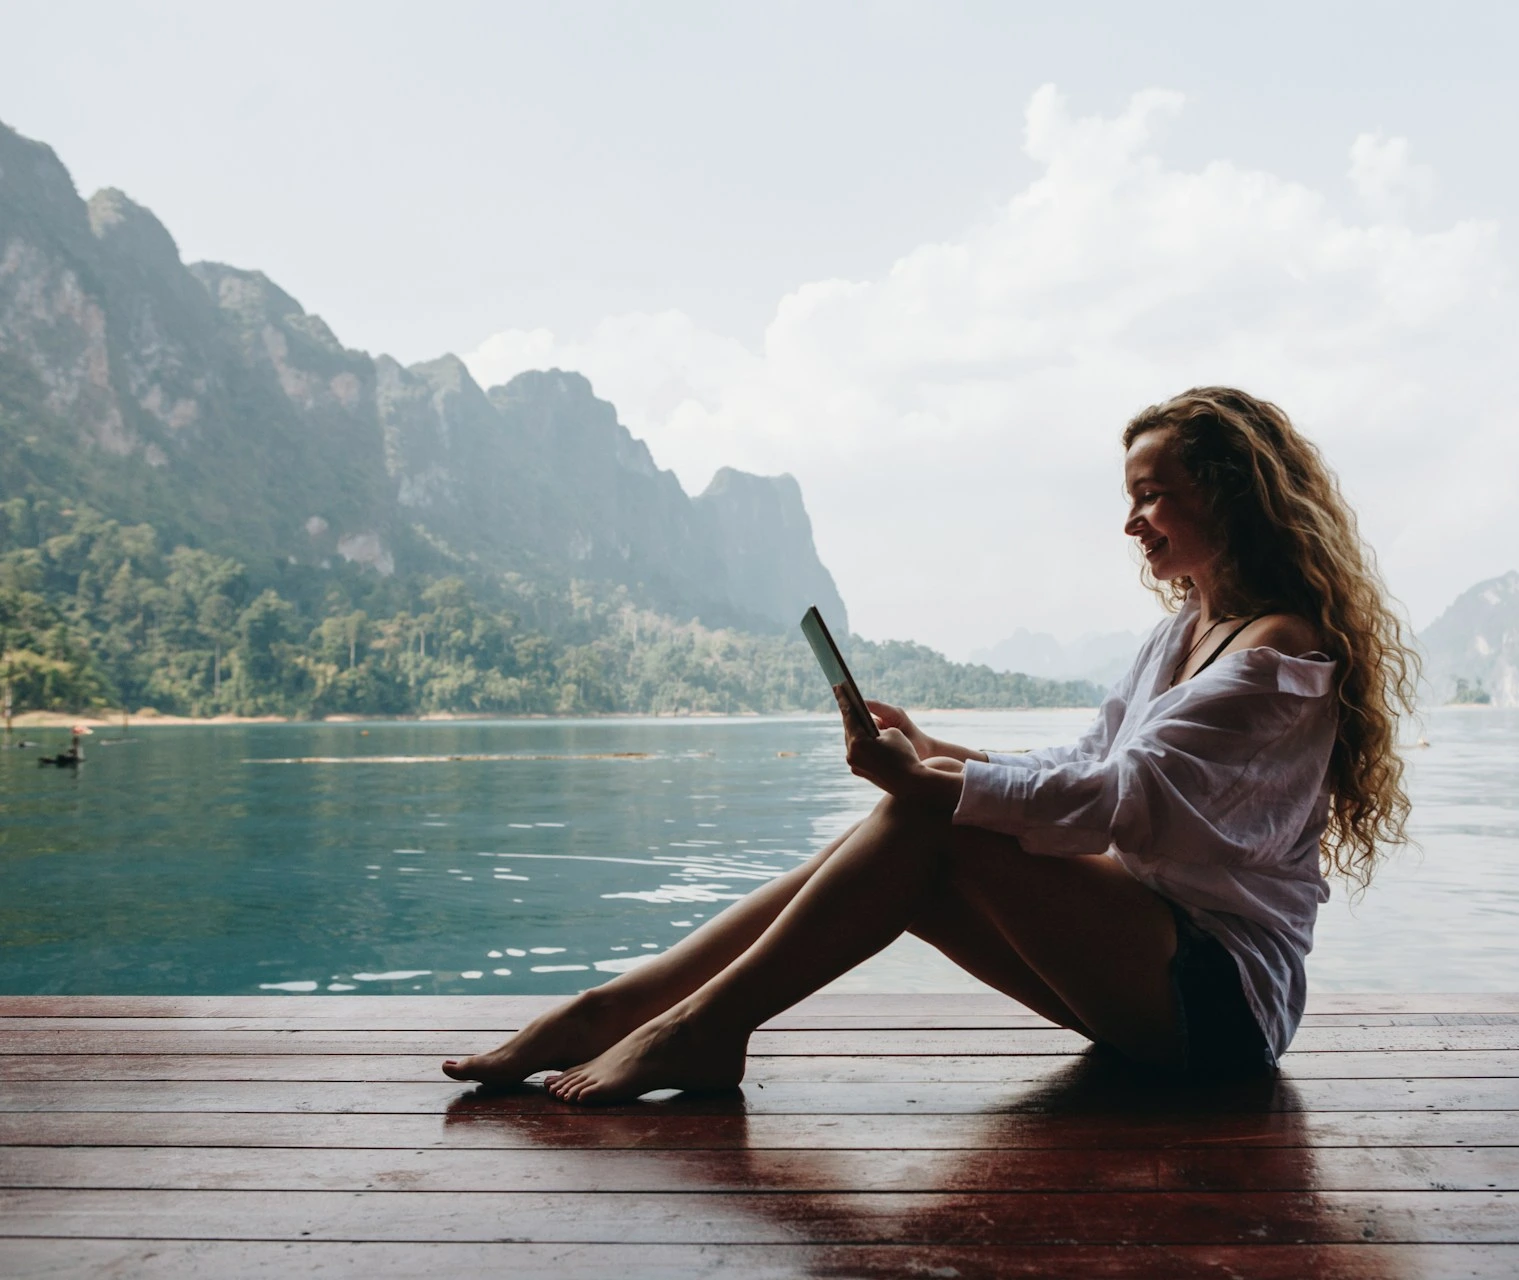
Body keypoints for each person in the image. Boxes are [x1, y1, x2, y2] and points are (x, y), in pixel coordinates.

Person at [445, 386, 1418, 1102]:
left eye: (1152, 495)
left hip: (1221, 1007)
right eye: (1130, 498)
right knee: (916, 821)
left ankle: (696, 1024)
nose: (1131, 523)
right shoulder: (1186, 629)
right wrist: (933, 748)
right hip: (1138, 972)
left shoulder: (1281, 653)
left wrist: (936, 784)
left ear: (1230, 496)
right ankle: (620, 1006)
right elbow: (1083, 765)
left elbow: (1119, 803)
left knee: (928, 824)